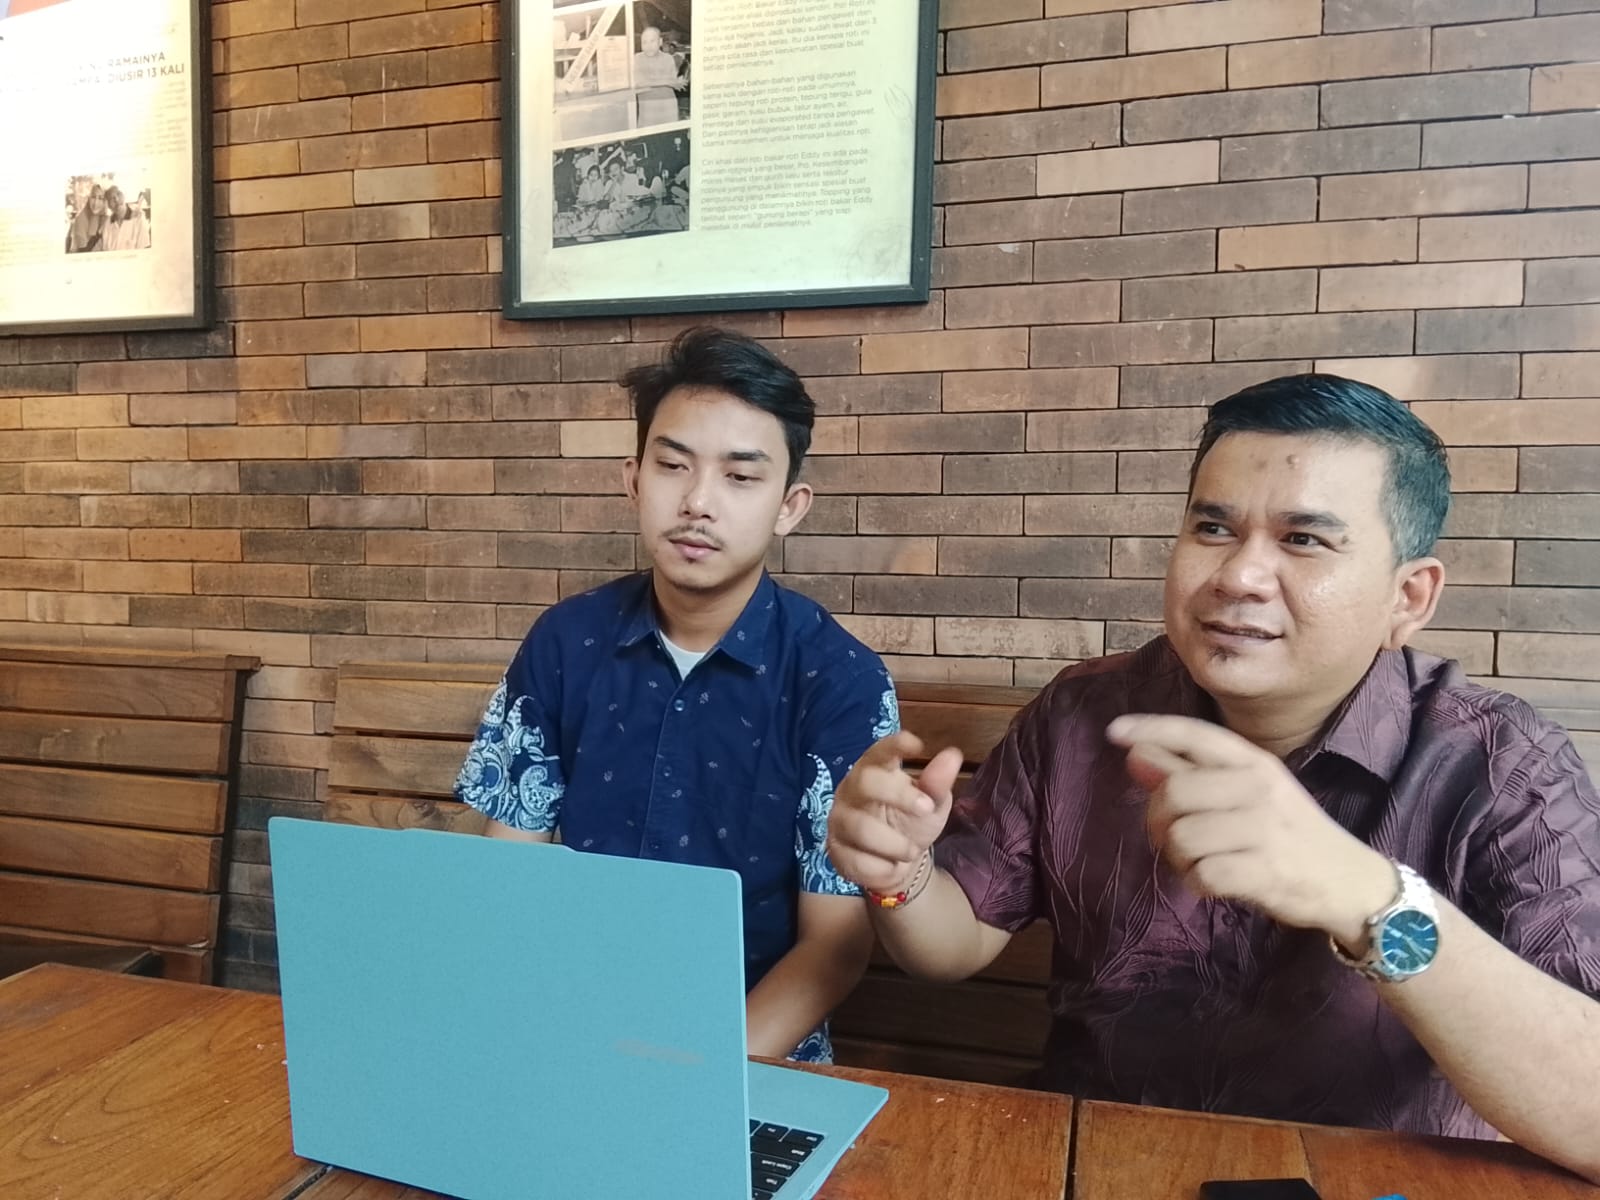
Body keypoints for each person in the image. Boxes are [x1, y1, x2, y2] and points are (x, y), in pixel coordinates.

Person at [826, 374, 1600, 1184]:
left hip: (1365, 1183)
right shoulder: (1086, 713)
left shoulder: (1503, 766)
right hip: (1098, 1162)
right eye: (1213, 528)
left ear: (1408, 597)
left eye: (1303, 540)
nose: (1239, 575)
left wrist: (1372, 899)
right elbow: (953, 945)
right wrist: (899, 878)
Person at [456, 326, 898, 1063]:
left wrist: (696, 1077)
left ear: (789, 506)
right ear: (634, 480)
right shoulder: (566, 642)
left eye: (740, 477)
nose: (698, 502)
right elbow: (509, 880)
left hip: (752, 1054)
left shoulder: (841, 681)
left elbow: (835, 946)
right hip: (570, 1032)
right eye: (672, 466)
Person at [66, 184, 106, 253]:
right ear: (89, 198)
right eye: (93, 197)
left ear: (105, 201)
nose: (96, 203)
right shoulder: (80, 220)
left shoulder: (107, 219)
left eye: (100, 198)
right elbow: (81, 252)